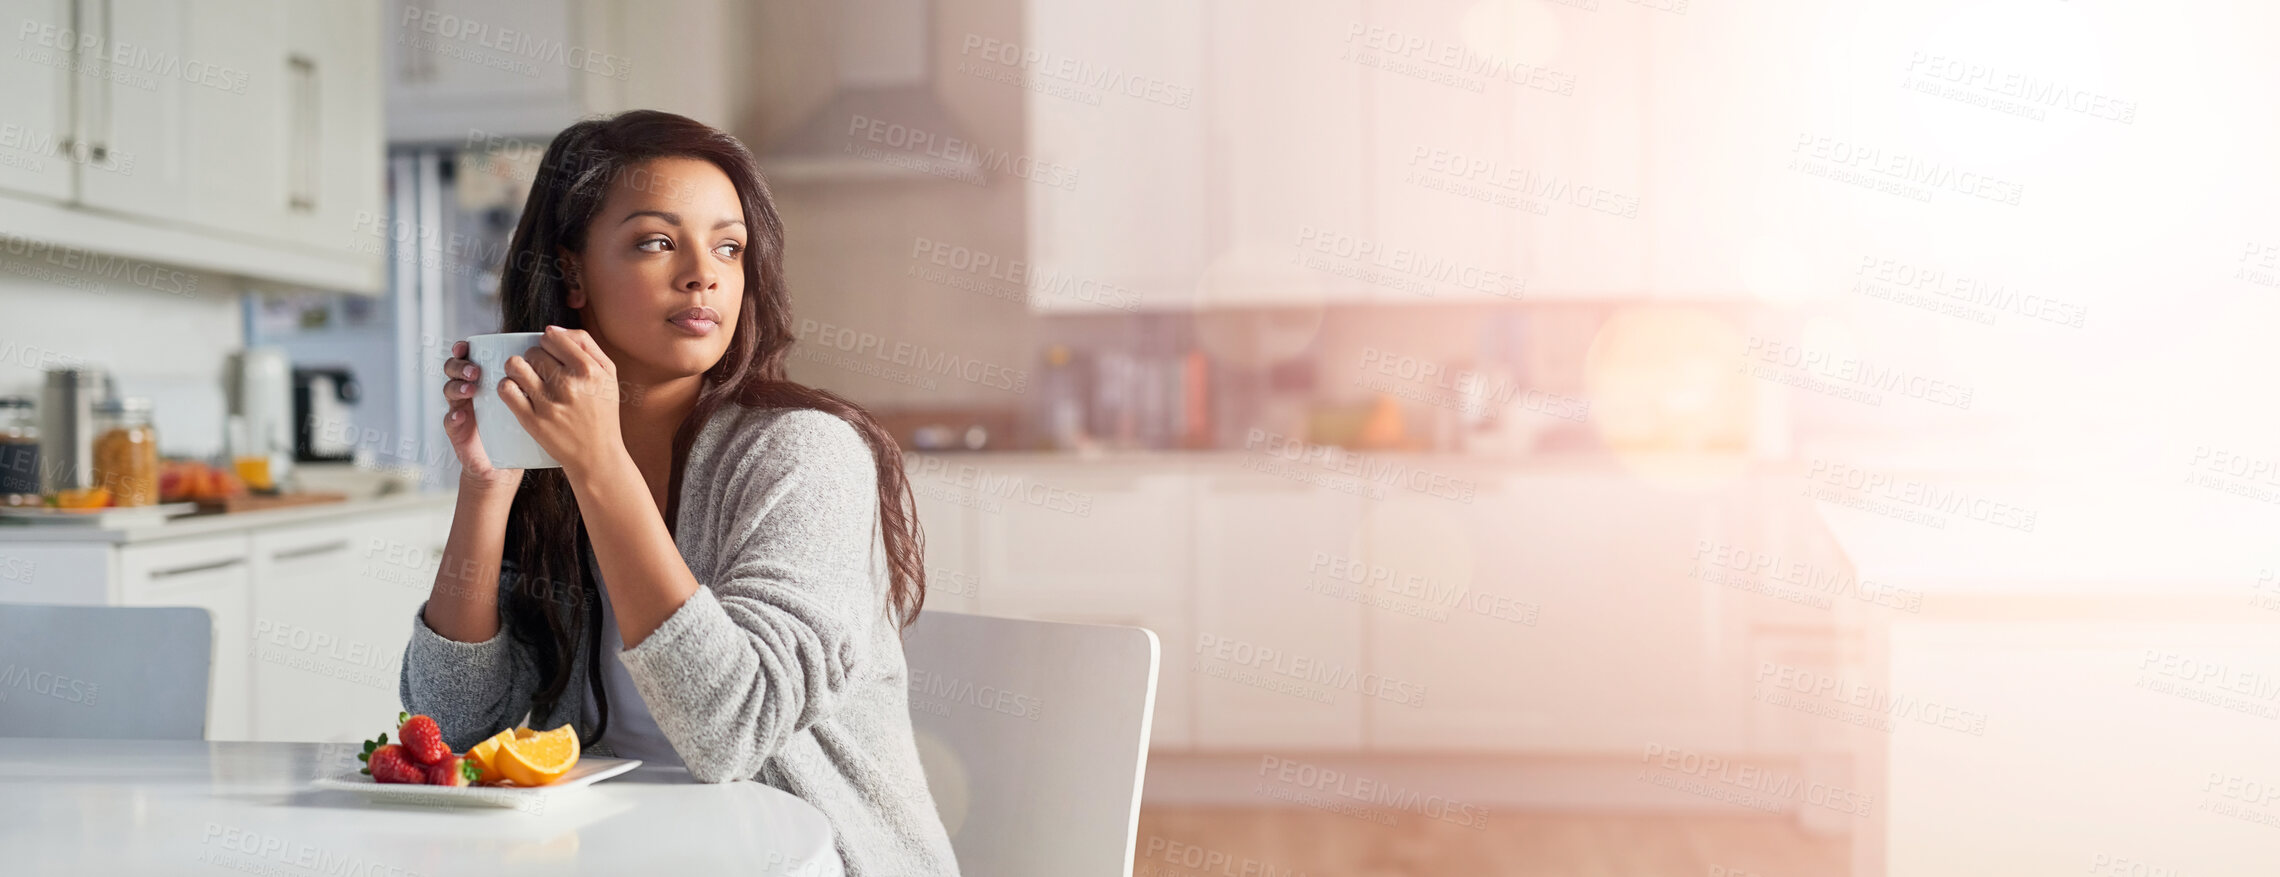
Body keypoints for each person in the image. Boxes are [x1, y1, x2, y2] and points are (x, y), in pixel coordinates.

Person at [400, 109, 960, 876]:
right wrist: (488, 484)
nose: (704, 272)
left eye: (728, 247)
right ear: (572, 271)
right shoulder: (556, 470)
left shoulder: (803, 453)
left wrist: (601, 468)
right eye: (658, 241)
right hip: (615, 853)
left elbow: (731, 728)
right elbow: (452, 727)